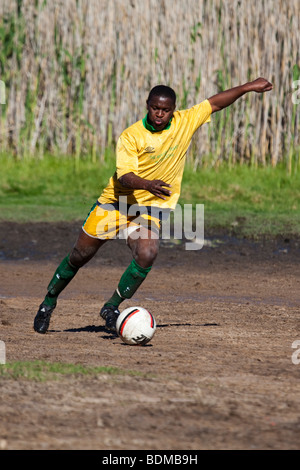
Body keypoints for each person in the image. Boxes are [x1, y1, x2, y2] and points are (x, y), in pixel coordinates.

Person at [33, 77, 273, 334]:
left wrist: (247, 88)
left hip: (149, 210)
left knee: (147, 252)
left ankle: (111, 306)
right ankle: (48, 302)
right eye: (155, 108)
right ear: (147, 106)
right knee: (80, 255)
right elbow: (124, 176)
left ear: (173, 109)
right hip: (117, 202)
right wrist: (147, 185)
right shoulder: (131, 135)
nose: (160, 114)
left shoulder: (185, 122)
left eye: (166, 109)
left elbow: (215, 103)